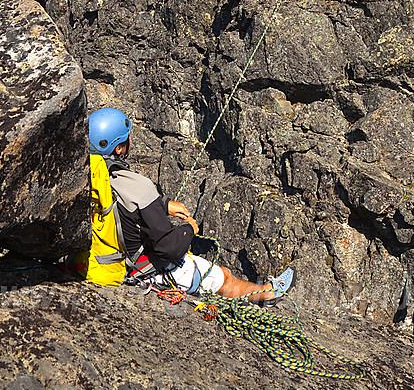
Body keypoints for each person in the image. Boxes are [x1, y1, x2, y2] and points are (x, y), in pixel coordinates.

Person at [88, 107, 295, 303]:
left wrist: (163, 205)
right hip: (143, 270)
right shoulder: (138, 186)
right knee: (224, 276)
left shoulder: (90, 179)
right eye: (127, 138)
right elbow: (169, 248)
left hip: (102, 263)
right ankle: (269, 294)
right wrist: (189, 230)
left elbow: (120, 206)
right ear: (119, 147)